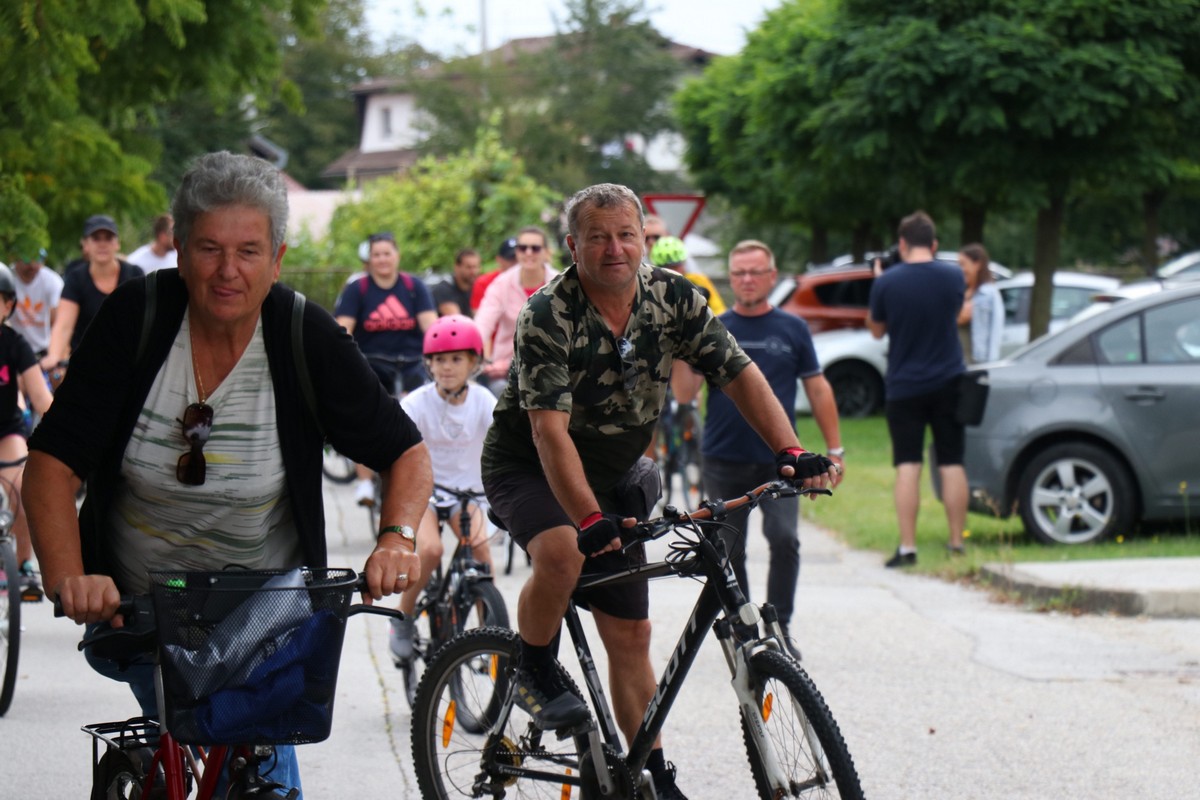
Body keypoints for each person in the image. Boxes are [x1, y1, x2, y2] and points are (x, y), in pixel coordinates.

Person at [23, 151, 431, 796]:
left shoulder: (304, 335)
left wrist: (396, 538)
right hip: (141, 605)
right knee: (194, 736)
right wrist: (69, 574)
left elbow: (404, 452)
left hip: (265, 614)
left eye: (248, 251)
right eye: (210, 249)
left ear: (278, 258)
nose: (227, 270)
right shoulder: (135, 320)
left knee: (257, 767)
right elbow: (52, 461)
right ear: (180, 252)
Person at [480, 183, 837, 800]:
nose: (614, 248)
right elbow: (547, 432)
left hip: (614, 473)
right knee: (562, 552)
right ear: (573, 246)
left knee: (632, 636)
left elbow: (738, 373)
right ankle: (533, 664)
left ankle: (653, 773)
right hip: (530, 466)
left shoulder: (674, 298)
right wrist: (588, 518)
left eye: (627, 235)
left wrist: (791, 450)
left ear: (643, 239)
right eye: (597, 237)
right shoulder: (548, 312)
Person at [677, 240, 843, 660]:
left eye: (755, 272)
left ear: (772, 276)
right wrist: (679, 337)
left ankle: (780, 626)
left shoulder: (792, 328)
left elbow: (818, 389)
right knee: (728, 549)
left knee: (784, 539)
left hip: (779, 461)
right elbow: (683, 392)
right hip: (723, 456)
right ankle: (745, 628)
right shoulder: (714, 328)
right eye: (739, 273)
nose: (747, 280)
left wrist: (835, 448)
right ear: (730, 279)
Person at [388, 314, 497, 662]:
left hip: (468, 494)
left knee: (480, 548)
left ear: (473, 362)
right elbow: (396, 449)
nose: (446, 367)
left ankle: (490, 633)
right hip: (426, 494)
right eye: (438, 359)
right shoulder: (416, 404)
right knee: (431, 550)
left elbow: (505, 444)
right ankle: (403, 617)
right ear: (429, 364)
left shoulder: (483, 401)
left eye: (455, 359)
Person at [866, 211, 968, 566]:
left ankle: (908, 547)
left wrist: (879, 282)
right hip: (949, 379)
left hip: (905, 384)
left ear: (902, 243)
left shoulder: (888, 282)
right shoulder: (954, 275)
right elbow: (956, 313)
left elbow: (876, 330)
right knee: (952, 462)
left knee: (908, 465)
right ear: (934, 244)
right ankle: (957, 543)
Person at [334, 231, 438, 505]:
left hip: (411, 363)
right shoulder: (358, 289)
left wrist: (438, 355)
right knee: (365, 414)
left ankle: (423, 475)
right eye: (376, 255)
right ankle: (365, 482)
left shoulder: (414, 287)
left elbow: (431, 328)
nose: (382, 259)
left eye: (386, 254)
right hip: (372, 362)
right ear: (369, 259)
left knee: (424, 411)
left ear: (397, 256)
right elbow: (343, 330)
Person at [0, 263, 55, 601]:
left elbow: (42, 399)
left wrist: (69, 432)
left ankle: (22, 564)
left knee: (21, 487)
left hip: (6, 431)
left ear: (8, 306)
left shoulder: (15, 344)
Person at [41, 214, 142, 372]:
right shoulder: (76, 278)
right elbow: (63, 325)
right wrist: (54, 356)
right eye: (96, 238)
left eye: (108, 238)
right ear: (85, 244)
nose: (102, 244)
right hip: (86, 364)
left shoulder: (134, 275)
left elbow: (144, 321)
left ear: (117, 244)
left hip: (128, 362)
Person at [475, 226, 558, 396]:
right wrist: (470, 353)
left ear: (546, 252)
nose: (528, 253)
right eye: (522, 248)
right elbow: (482, 325)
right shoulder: (501, 284)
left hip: (553, 367)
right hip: (505, 372)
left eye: (535, 248)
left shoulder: (561, 284)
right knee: (499, 392)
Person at [649, 235, 727, 315]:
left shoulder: (698, 280)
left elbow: (719, 311)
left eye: (676, 266)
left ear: (684, 263)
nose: (672, 271)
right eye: (666, 267)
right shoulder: (650, 285)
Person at [9, 247, 64, 359]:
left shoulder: (53, 281)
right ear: (14, 258)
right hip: (13, 350)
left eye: (39, 259)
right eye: (27, 259)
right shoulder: (8, 279)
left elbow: (59, 323)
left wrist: (55, 355)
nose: (33, 265)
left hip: (44, 349)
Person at [957, 243, 1004, 364]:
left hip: (978, 363)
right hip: (958, 363)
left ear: (977, 264)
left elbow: (995, 332)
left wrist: (991, 364)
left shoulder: (989, 294)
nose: (960, 269)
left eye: (963, 264)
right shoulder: (959, 292)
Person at [469, 237, 518, 314]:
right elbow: (478, 315)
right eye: (511, 259)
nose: (516, 263)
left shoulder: (533, 281)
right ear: (499, 259)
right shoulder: (484, 282)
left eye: (518, 259)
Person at [431, 247, 481, 317]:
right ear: (456, 267)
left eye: (475, 267)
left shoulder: (479, 289)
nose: (473, 272)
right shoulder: (443, 289)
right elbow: (456, 319)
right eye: (468, 267)